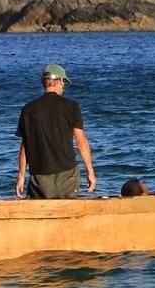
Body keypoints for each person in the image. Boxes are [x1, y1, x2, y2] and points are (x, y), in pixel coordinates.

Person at [15, 64, 96, 199]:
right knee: (68, 214)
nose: (63, 87)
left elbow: (25, 147)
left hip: (39, 178)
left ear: (44, 82)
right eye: (64, 82)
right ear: (59, 81)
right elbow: (81, 141)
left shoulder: (28, 109)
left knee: (40, 215)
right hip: (66, 174)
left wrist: (21, 177)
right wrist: (90, 171)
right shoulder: (71, 106)